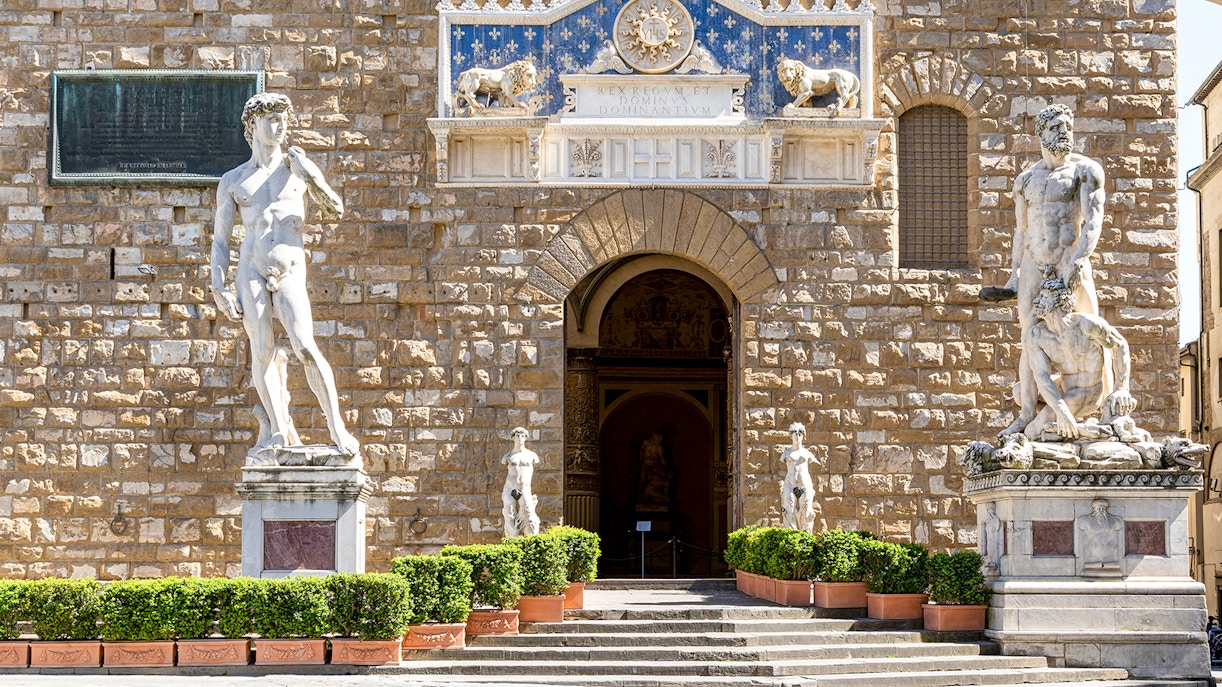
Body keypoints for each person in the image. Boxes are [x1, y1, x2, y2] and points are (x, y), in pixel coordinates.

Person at [210, 92, 360, 457]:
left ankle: (336, 427)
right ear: (252, 125)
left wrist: (313, 178)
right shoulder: (234, 180)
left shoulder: (297, 168)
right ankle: (278, 430)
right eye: (272, 119)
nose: (280, 126)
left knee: (305, 346)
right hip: (250, 269)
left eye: (283, 119)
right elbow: (220, 239)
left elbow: (336, 209)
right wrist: (219, 286)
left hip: (290, 267)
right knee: (261, 352)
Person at [999, 104, 1105, 438]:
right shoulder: (1025, 180)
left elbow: (1093, 221)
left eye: (1068, 127)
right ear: (1041, 134)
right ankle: (1027, 413)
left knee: (1091, 330)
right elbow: (1021, 229)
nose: (1064, 133)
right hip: (1033, 261)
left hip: (1066, 257)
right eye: (1057, 127)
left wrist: (1078, 263)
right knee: (1029, 336)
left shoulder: (1085, 171)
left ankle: (1105, 409)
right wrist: (1014, 274)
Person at [1024, 279, 1137, 442]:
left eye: (1043, 297)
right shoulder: (1037, 335)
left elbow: (1120, 345)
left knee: (1032, 432)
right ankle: (1077, 428)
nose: (1036, 301)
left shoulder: (1086, 325)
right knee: (1020, 392)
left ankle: (1080, 430)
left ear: (1059, 301)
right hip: (1063, 387)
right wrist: (1061, 412)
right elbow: (1042, 377)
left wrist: (1122, 388)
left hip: (1086, 392)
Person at [501, 427, 541, 537]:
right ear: (513, 438)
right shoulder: (508, 456)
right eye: (517, 436)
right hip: (510, 489)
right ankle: (511, 545)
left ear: (525, 438)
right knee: (509, 517)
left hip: (525, 489)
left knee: (529, 517)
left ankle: (531, 544)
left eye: (522, 436)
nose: (520, 438)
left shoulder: (532, 456)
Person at [780, 422, 817, 532]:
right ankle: (791, 540)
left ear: (803, 436)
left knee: (807, 512)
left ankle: (806, 538)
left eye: (800, 434)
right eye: (795, 433)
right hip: (790, 483)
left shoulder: (807, 454)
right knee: (788, 511)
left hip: (804, 483)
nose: (797, 436)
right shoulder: (786, 454)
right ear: (790, 435)